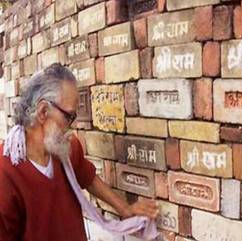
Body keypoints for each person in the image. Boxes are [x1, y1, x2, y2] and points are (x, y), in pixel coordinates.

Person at [0, 63, 158, 241]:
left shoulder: (66, 149)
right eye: (69, 116)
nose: (72, 125)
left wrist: (125, 209)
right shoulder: (5, 173)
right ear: (43, 111)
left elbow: (88, 178)